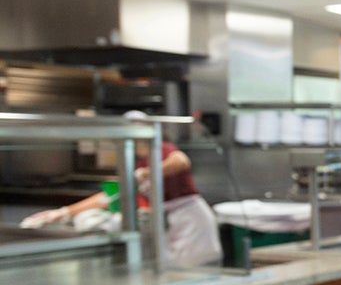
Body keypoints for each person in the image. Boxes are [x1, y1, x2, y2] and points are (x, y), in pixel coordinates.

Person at [21, 111, 223, 268]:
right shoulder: (136, 163)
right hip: (166, 224)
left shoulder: (160, 148)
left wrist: (147, 173)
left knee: (197, 271)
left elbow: (181, 161)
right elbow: (109, 196)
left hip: (190, 220)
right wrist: (63, 212)